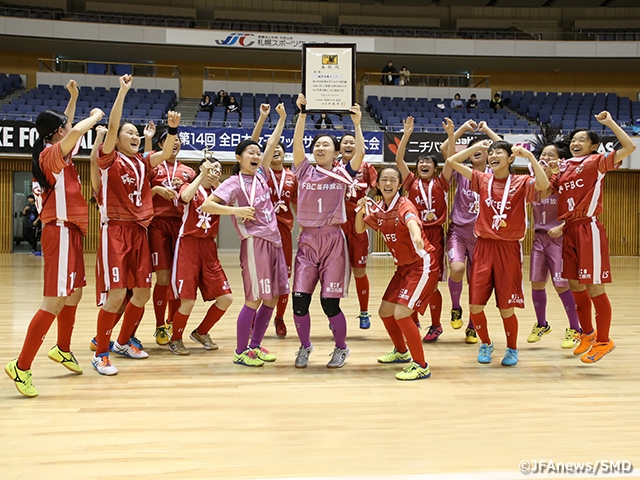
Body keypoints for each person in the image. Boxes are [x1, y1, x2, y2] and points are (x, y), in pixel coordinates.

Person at [5, 80, 104, 397]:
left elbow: (68, 129)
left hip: (71, 232)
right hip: (58, 230)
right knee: (54, 301)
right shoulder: (50, 156)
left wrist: (73, 98)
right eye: (65, 127)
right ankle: (21, 367)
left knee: (73, 293)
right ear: (56, 133)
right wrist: (95, 116)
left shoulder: (58, 152)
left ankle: (62, 348)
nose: (70, 128)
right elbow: (75, 132)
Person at [92, 74, 182, 376]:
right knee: (117, 295)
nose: (132, 135)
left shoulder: (142, 162)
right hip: (115, 230)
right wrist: (122, 92)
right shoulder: (108, 159)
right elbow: (114, 124)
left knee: (142, 292)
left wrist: (171, 128)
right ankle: (100, 354)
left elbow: (167, 152)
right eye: (126, 132)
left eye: (135, 133)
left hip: (140, 231)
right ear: (115, 139)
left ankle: (121, 342)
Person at [446, 140, 549, 366]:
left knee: (506, 308)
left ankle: (512, 349)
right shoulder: (483, 179)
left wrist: (530, 158)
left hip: (508, 249)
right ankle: (486, 342)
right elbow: (451, 161)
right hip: (483, 247)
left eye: (498, 152)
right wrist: (475, 148)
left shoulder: (521, 182)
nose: (492, 155)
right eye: (490, 153)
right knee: (475, 306)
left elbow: (543, 183)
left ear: (510, 158)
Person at [202, 103, 289, 367]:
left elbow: (271, 141)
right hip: (254, 244)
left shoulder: (261, 173)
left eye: (258, 152)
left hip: (274, 242)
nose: (257, 155)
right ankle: (241, 351)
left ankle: (255, 346)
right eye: (250, 152)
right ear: (239, 158)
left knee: (272, 298)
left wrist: (280, 117)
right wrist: (236, 209)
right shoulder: (233, 182)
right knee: (253, 299)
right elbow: (207, 205)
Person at [547, 111, 636, 363]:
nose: (575, 143)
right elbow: (546, 187)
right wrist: (543, 165)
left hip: (589, 229)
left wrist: (609, 123)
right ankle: (587, 333)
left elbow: (629, 147)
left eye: (582, 140)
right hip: (569, 229)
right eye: (573, 140)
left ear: (593, 145)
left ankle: (604, 340)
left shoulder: (597, 161)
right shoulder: (563, 167)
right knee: (575, 284)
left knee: (595, 286)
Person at [290, 93, 363, 369]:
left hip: (333, 241)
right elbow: (297, 143)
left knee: (329, 304)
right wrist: (303, 114)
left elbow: (360, 154)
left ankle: (341, 348)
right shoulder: (304, 170)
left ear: (335, 153)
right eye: (317, 144)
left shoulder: (344, 174)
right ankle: (305, 346)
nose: (320, 148)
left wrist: (356, 124)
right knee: (299, 302)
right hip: (308, 240)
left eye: (325, 145)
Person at [354, 167, 436, 381]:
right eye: (384, 180)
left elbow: (411, 220)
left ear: (399, 185)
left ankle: (421, 365)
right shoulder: (380, 207)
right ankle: (401, 352)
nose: (388, 183)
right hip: (403, 268)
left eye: (393, 180)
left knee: (401, 313)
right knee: (385, 311)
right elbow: (360, 229)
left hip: (422, 265)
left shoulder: (404, 204)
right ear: (378, 185)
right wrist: (361, 209)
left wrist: (417, 236)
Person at [440, 120, 501, 343]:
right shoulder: (462, 172)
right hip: (459, 231)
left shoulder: (496, 176)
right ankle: (455, 307)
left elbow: (506, 148)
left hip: (483, 237)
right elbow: (445, 151)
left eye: (483, 150)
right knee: (456, 268)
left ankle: (472, 325)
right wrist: (464, 129)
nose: (478, 152)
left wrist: (486, 131)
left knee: (477, 282)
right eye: (474, 150)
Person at [395, 116, 452, 342]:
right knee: (411, 276)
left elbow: (451, 160)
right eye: (421, 163)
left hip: (435, 235)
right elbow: (399, 158)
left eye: (429, 163)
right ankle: (414, 318)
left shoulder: (442, 182)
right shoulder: (410, 182)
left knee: (432, 283)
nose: (424, 165)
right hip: (412, 235)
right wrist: (406, 133)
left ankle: (436, 324)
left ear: (435, 168)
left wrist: (450, 135)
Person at [167, 158, 233, 355]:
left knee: (226, 298)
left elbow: (231, 202)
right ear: (203, 169)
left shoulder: (218, 193)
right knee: (187, 300)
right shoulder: (190, 185)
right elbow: (185, 197)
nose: (216, 171)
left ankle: (201, 332)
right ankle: (175, 339)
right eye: (212, 168)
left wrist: (216, 183)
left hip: (209, 247)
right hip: (188, 244)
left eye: (219, 169)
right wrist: (202, 176)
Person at [526, 125, 581, 349]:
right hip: (539, 237)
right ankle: (541, 324)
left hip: (560, 238)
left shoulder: (567, 181)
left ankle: (575, 329)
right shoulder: (534, 180)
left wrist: (562, 226)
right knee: (537, 283)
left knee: (561, 285)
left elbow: (577, 209)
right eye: (542, 155)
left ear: (560, 159)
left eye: (551, 155)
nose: (545, 158)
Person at [251, 103, 298, 338]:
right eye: (272, 148)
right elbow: (257, 143)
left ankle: (279, 318)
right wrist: (265, 118)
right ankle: (255, 319)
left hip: (284, 232)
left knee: (284, 277)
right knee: (261, 276)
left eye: (280, 147)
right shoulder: (262, 171)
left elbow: (298, 205)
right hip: (263, 230)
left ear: (285, 153)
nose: (276, 149)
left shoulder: (292, 176)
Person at [147, 127, 196, 346]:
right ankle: (159, 326)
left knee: (178, 280)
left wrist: (185, 187)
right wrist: (156, 189)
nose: (174, 143)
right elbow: (137, 194)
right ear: (160, 145)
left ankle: (172, 322)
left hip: (181, 225)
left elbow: (195, 197)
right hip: (158, 225)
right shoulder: (153, 167)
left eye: (177, 140)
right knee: (164, 278)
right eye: (169, 140)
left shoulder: (188, 171)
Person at [339, 127, 377, 330]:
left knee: (359, 271)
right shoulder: (333, 167)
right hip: (336, 223)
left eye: (352, 142)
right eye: (345, 142)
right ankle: (334, 314)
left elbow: (376, 187)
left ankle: (364, 312)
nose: (348, 145)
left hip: (358, 223)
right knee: (334, 272)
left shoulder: (367, 167)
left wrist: (367, 200)